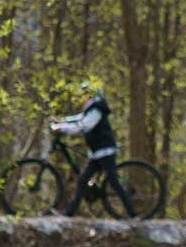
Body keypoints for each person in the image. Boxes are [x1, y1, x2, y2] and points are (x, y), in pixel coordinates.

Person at [48, 83, 133, 217]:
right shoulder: (91, 109)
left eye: (85, 94)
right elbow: (78, 118)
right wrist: (60, 121)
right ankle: (70, 213)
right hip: (96, 153)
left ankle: (133, 214)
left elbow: (84, 126)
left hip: (105, 152)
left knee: (114, 183)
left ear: (92, 95)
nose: (83, 98)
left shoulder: (97, 110)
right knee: (82, 181)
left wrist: (62, 128)